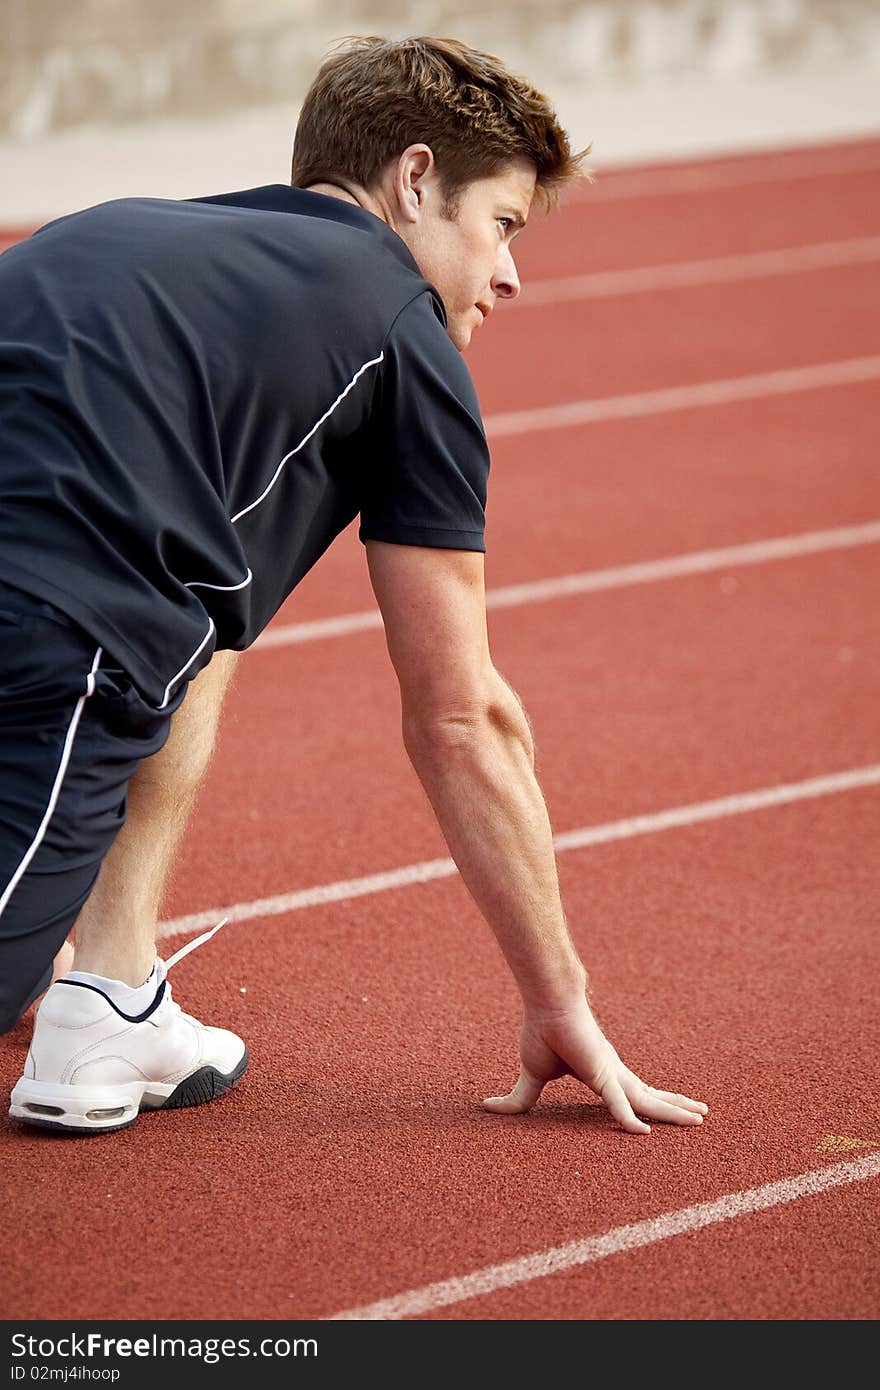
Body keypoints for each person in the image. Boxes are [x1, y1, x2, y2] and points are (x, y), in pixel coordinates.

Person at [0, 35, 708, 1136]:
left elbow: (203, 610)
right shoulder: (401, 331)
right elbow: (462, 715)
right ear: (414, 179)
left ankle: (111, 994)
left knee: (206, 614)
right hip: (54, 652)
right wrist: (554, 995)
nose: (511, 273)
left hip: (71, 620)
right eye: (503, 226)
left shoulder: (104, 229)